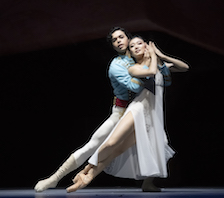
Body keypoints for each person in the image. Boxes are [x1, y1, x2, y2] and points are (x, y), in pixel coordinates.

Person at [66, 36, 189, 193]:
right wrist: (154, 57)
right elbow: (150, 72)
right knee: (112, 144)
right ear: (130, 52)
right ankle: (86, 170)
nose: (136, 47)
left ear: (146, 45)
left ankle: (144, 183)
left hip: (152, 116)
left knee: (126, 149)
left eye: (139, 43)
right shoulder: (134, 68)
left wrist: (161, 56)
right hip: (137, 110)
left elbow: (184, 67)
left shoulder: (159, 65)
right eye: (132, 46)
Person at [34, 27, 144, 192]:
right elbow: (135, 87)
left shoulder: (139, 57)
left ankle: (149, 182)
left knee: (151, 145)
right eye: (115, 40)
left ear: (129, 39)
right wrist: (149, 71)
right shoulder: (116, 66)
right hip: (121, 113)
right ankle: (54, 178)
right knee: (93, 145)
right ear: (113, 46)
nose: (119, 41)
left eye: (121, 37)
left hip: (141, 112)